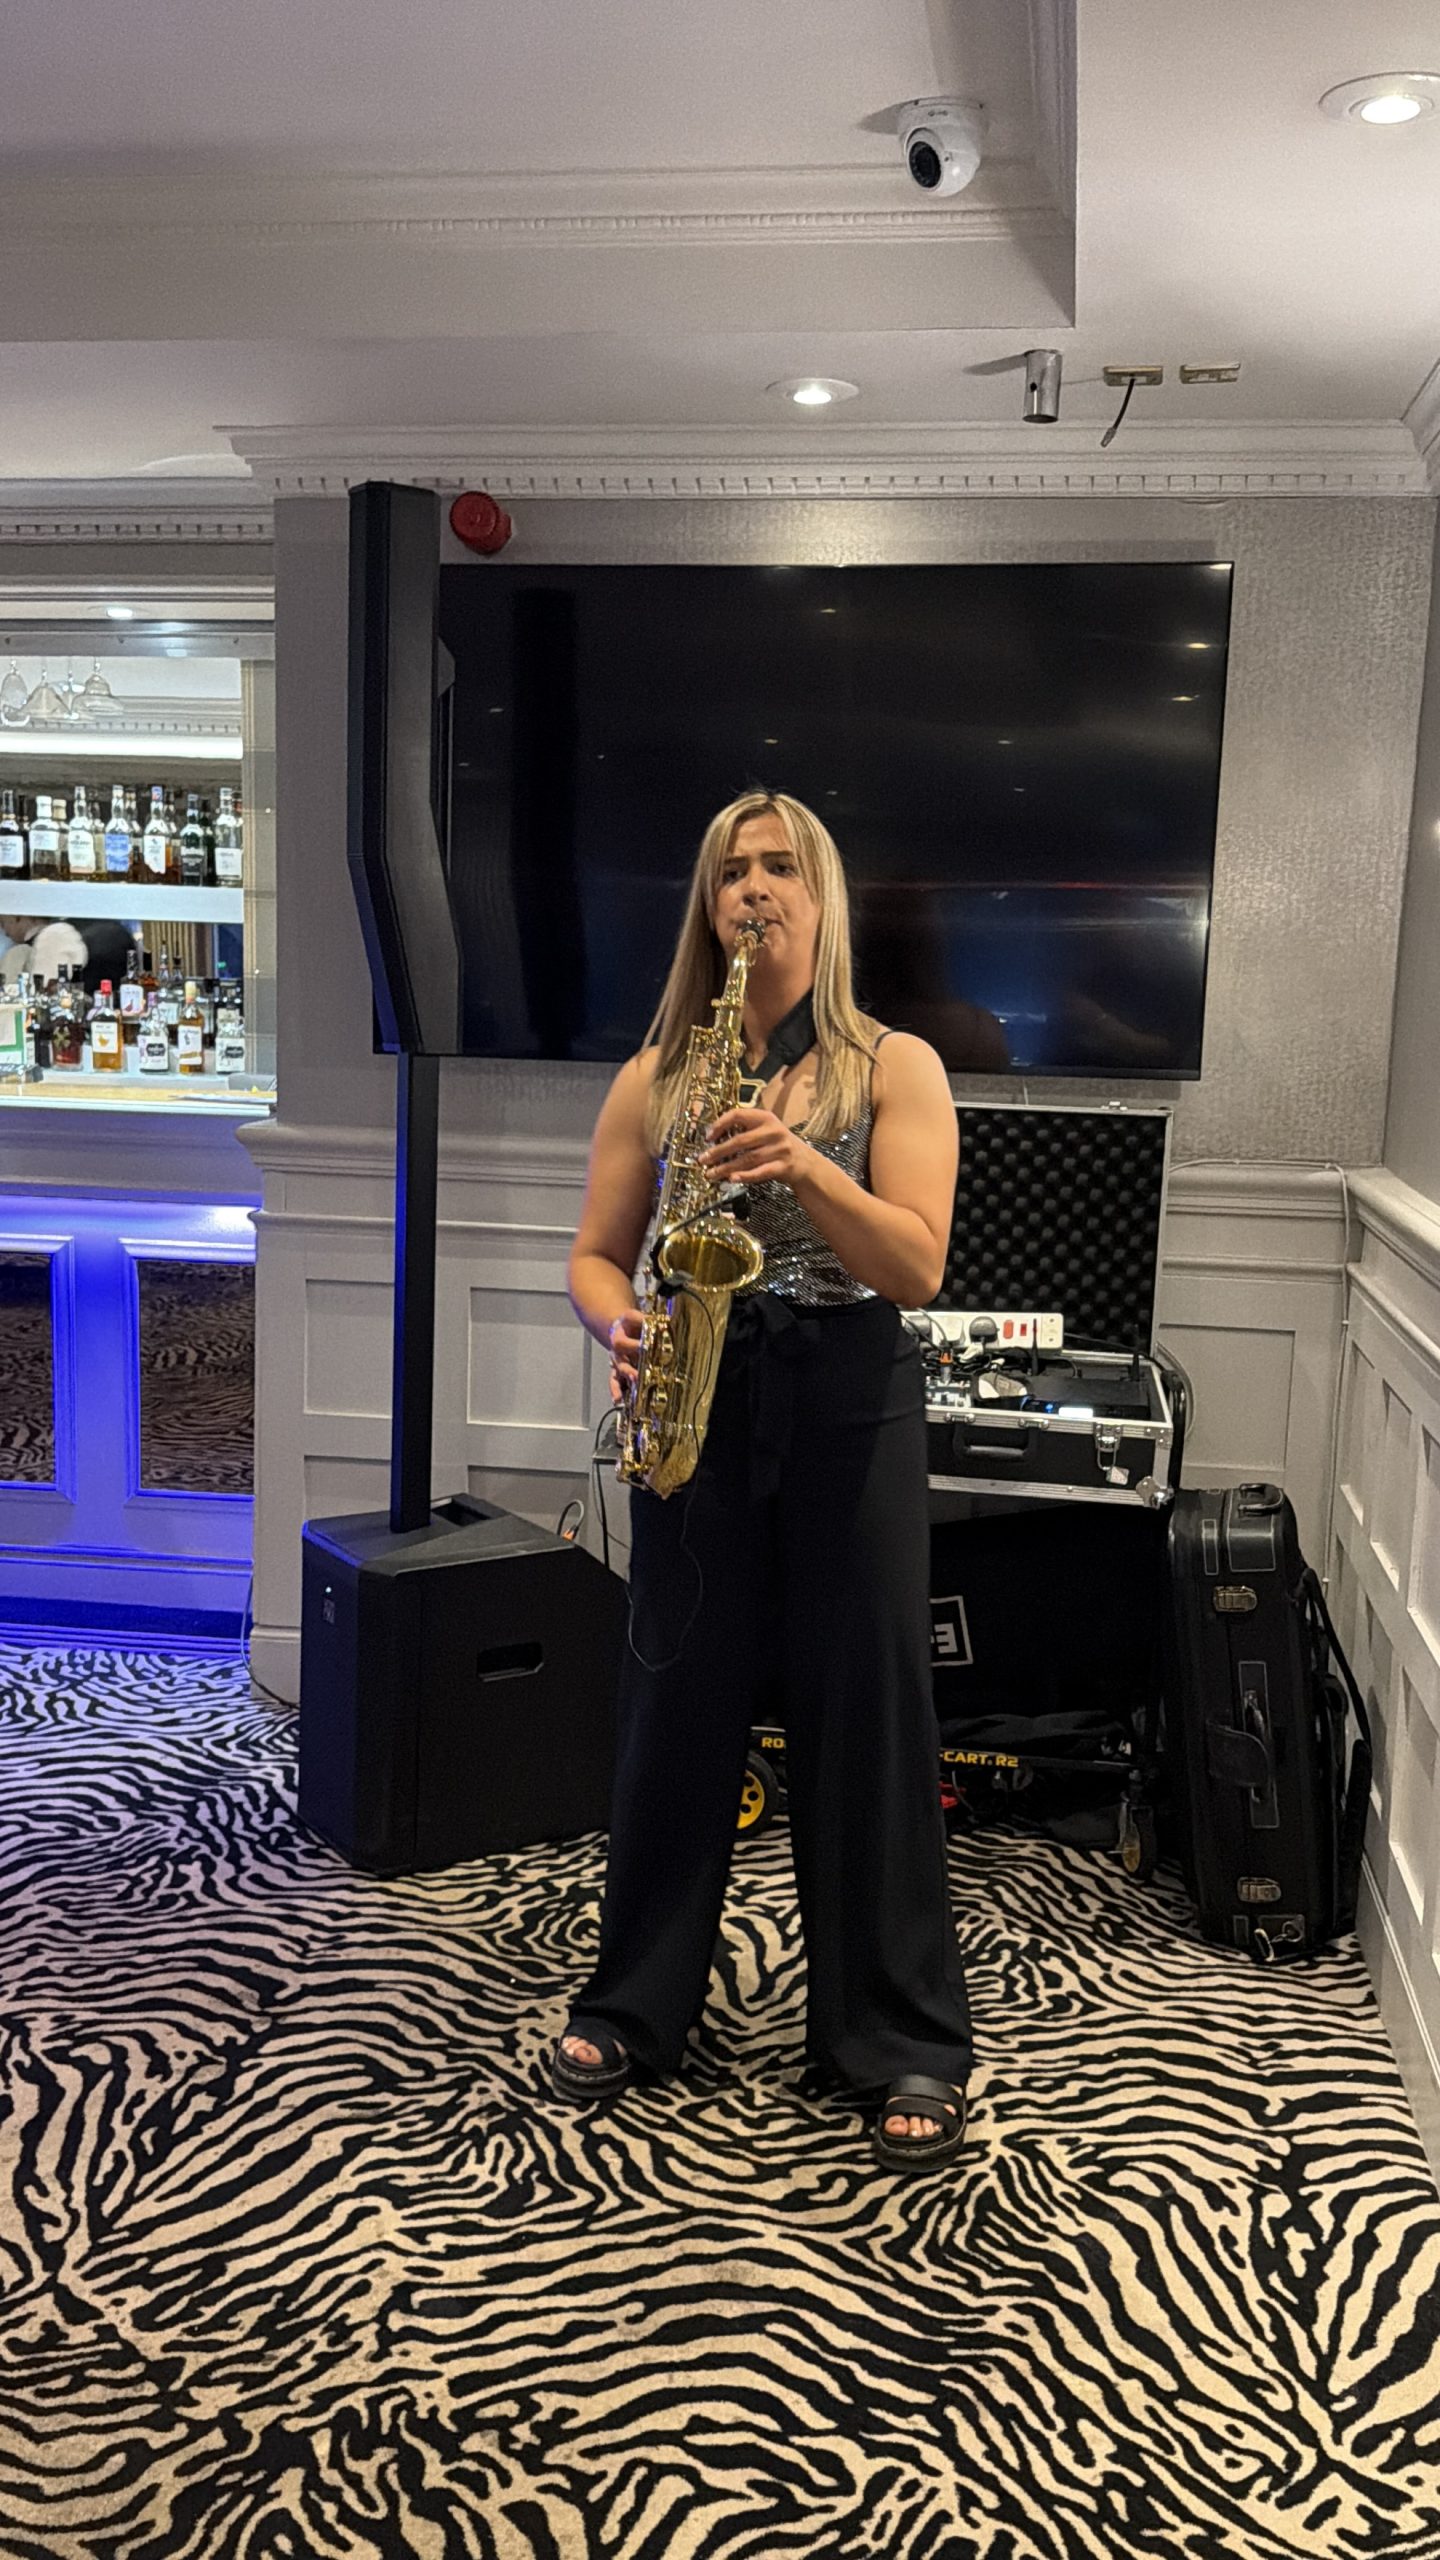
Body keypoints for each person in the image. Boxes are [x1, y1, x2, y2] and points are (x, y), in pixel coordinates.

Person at [556, 790, 973, 2173]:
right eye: (731, 868)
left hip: (850, 1394)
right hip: (701, 1391)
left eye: (781, 866)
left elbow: (916, 1266)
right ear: (708, 901)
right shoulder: (658, 1073)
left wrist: (800, 1163)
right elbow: (596, 1254)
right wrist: (620, 1322)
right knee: (674, 1707)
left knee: (870, 1717)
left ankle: (899, 2038)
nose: (754, 887)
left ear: (820, 897)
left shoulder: (897, 1066)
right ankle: (635, 2004)